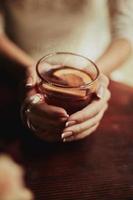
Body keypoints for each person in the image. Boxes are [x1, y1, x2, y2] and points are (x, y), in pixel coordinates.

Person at [0, 0, 132, 142]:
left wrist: (94, 77)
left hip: (96, 71)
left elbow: (127, 30)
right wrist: (29, 71)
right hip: (17, 72)